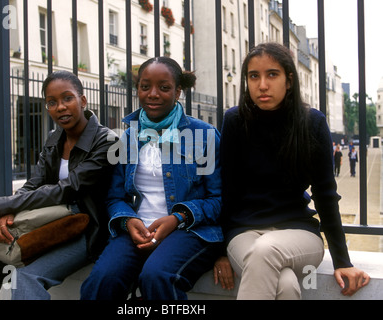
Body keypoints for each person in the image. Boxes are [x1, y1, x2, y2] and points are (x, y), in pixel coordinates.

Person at [216, 42, 369, 300]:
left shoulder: (312, 122)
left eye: (272, 74)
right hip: (244, 233)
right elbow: (226, 190)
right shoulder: (235, 120)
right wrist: (219, 252)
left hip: (299, 233)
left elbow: (325, 195)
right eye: (254, 76)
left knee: (266, 250)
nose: (262, 85)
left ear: (289, 80)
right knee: (285, 285)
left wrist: (342, 260)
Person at [0, 70, 117, 300]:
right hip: (49, 223)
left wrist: (0, 207)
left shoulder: (107, 141)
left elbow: (66, 188)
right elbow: (34, 183)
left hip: (86, 230)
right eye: (51, 102)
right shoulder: (54, 139)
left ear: (82, 100)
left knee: (26, 277)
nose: (60, 107)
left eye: (67, 98)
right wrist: (9, 212)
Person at [80, 57, 223, 300]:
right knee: (102, 278)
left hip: (189, 230)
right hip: (139, 229)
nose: (153, 94)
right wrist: (128, 221)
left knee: (157, 276)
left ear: (178, 91)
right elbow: (115, 197)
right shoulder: (128, 138)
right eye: (145, 87)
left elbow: (218, 199)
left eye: (164, 87)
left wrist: (178, 218)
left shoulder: (204, 135)